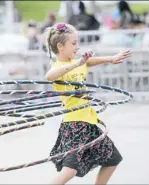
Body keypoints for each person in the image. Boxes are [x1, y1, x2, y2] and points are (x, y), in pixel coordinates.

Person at [44, 23, 131, 184]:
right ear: (60, 46)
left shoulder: (78, 64)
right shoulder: (59, 68)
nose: (77, 47)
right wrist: (77, 63)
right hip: (75, 124)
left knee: (113, 159)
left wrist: (110, 59)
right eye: (73, 43)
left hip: (89, 123)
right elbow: (49, 76)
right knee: (69, 170)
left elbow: (89, 62)